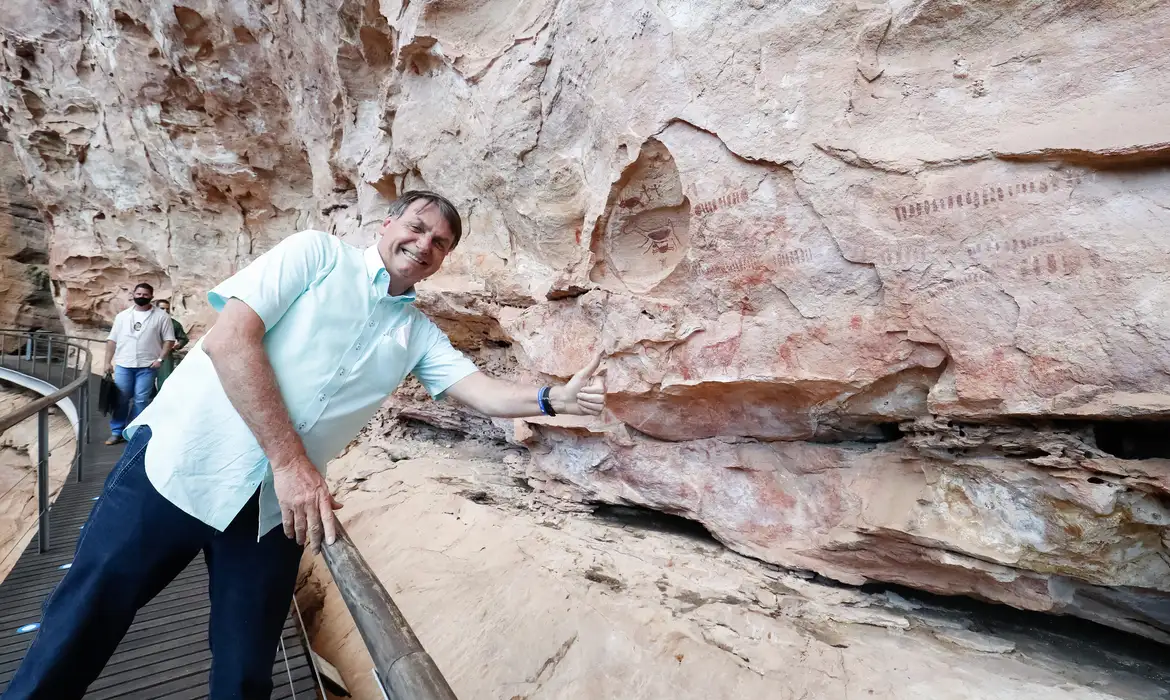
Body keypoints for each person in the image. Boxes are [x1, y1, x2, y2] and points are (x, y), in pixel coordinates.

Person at [3, 191, 607, 700]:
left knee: (244, 675)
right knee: (84, 621)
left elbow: (479, 390)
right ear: (387, 225)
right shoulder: (315, 254)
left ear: (442, 261)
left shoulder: (415, 332)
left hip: (271, 512)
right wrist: (291, 461)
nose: (425, 245)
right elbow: (229, 342)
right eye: (417, 227)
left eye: (440, 243)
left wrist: (554, 399)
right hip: (180, 467)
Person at [102, 282, 175, 446]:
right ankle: (117, 431)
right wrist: (107, 362)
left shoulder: (161, 317)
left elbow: (169, 340)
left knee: (141, 400)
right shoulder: (122, 316)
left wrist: (160, 359)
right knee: (121, 398)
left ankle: (134, 431)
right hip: (124, 363)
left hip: (148, 365)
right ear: (133, 295)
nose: (142, 297)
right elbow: (112, 340)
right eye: (139, 294)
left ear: (151, 296)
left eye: (145, 294)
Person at [153, 298, 189, 391]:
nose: (165, 311)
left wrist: (178, 345)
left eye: (167, 309)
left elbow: (183, 338)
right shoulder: (148, 322)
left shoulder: (174, 324)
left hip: (166, 356)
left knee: (165, 381)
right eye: (162, 309)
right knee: (146, 382)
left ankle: (163, 403)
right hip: (148, 354)